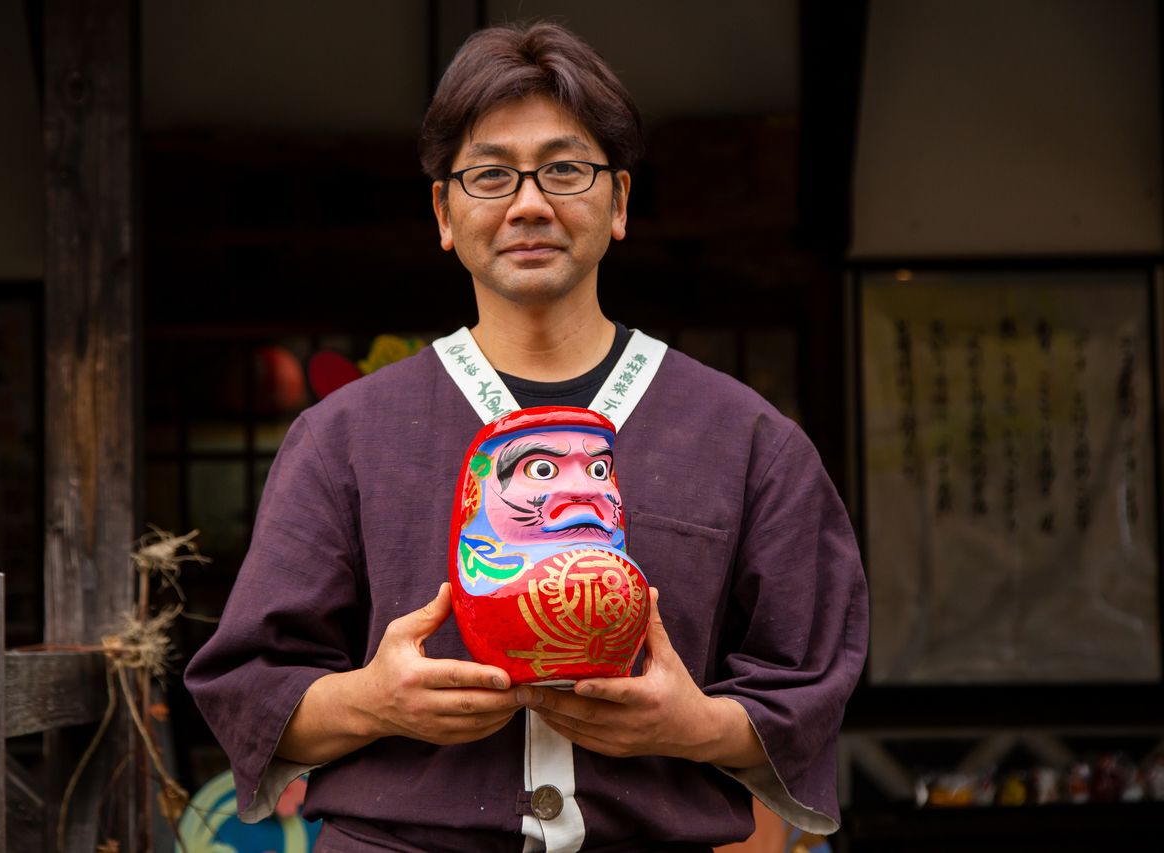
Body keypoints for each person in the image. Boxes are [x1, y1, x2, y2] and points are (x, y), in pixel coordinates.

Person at [185, 21, 868, 853]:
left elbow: (809, 686)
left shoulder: (747, 438)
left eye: (565, 168)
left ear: (618, 203)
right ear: (444, 211)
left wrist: (695, 725)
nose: (530, 203)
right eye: (490, 174)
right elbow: (248, 684)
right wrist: (376, 699)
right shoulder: (345, 437)